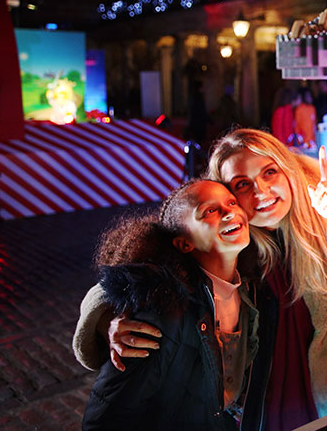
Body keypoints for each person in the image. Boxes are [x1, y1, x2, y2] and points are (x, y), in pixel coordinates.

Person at [74, 129, 327, 430]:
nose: (261, 191)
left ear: (287, 171)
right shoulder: (225, 234)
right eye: (242, 184)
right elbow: (136, 270)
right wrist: (111, 320)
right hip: (262, 391)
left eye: (270, 172)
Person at [82, 180, 267, 430]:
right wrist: (104, 320)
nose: (229, 212)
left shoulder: (250, 288)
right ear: (184, 243)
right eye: (210, 211)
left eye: (232, 202)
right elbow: (106, 417)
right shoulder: (164, 310)